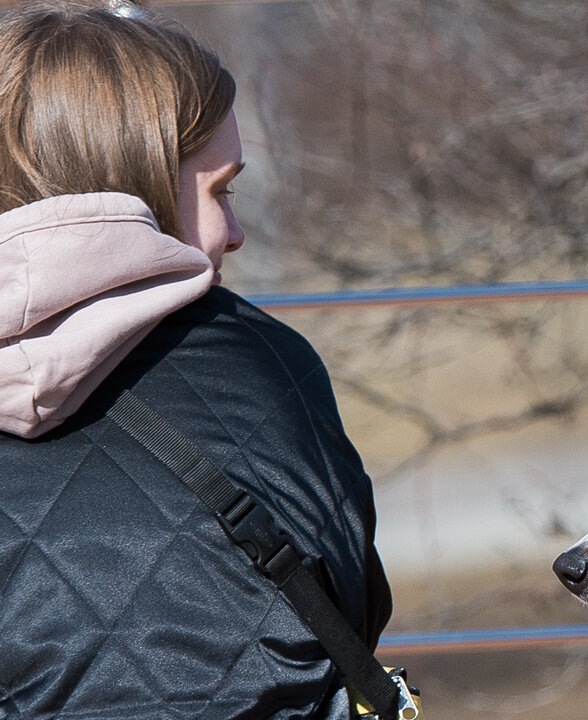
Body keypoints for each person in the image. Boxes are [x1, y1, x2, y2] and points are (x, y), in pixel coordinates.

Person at [0, 3, 392, 718]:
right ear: (135, 184)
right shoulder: (262, 361)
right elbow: (352, 600)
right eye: (221, 191)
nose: (236, 233)